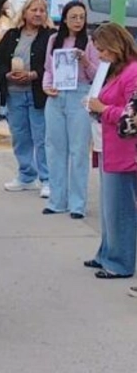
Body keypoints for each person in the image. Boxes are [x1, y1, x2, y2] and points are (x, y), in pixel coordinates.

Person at [84, 23, 137, 279]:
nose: (101, 55)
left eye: (103, 50)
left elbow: (132, 117)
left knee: (121, 210)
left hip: (126, 152)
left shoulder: (133, 73)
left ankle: (120, 262)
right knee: (109, 208)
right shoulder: (117, 71)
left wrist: (103, 109)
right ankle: (106, 252)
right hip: (109, 147)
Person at [0, 0, 55, 197]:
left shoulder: (51, 36)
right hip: (14, 93)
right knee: (20, 136)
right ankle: (26, 175)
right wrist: (6, 75)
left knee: (42, 137)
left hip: (37, 94)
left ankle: (47, 179)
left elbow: (54, 64)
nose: (38, 14)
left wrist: (34, 74)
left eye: (42, 10)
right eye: (34, 10)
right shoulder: (12, 35)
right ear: (25, 12)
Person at [41, 2, 98, 218]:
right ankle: (57, 200)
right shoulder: (54, 40)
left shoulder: (89, 43)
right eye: (73, 17)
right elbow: (48, 69)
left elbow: (95, 76)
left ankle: (77, 203)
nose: (77, 21)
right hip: (57, 95)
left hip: (79, 94)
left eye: (81, 17)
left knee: (78, 151)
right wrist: (47, 87)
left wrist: (84, 60)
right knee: (55, 148)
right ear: (65, 19)